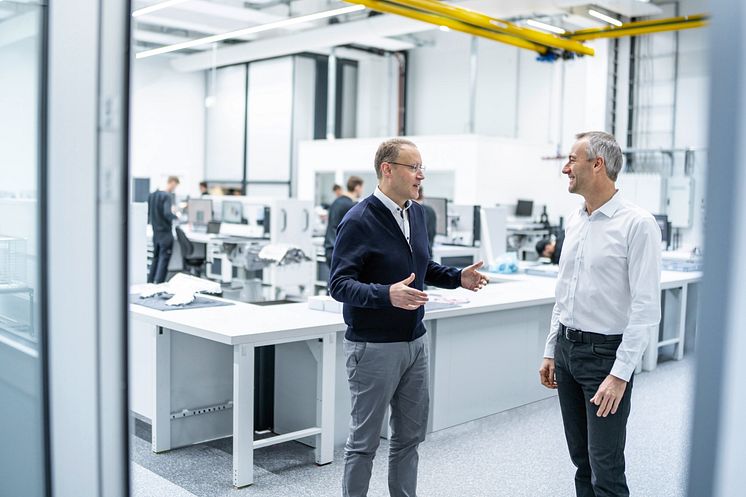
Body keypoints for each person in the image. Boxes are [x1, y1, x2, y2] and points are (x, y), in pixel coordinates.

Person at [329, 138, 489, 497]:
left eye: (422, 168)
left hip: (415, 342)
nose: (421, 176)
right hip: (373, 347)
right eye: (414, 168)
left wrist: (456, 277)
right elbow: (339, 285)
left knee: (409, 438)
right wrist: (386, 294)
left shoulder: (415, 212)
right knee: (364, 442)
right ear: (387, 170)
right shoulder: (358, 220)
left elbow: (421, 267)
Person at [538, 131, 661, 497]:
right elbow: (565, 293)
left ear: (597, 164)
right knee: (582, 463)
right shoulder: (575, 221)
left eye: (572, 160)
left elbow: (645, 308)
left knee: (605, 469)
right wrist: (551, 349)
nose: (565, 168)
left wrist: (620, 374)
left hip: (605, 357)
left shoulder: (637, 224)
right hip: (567, 350)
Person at [323, 176, 364, 268]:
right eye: (362, 188)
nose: (362, 191)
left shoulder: (336, 202)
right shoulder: (352, 206)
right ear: (357, 187)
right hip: (339, 252)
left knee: (333, 281)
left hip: (329, 249)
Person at [147, 176, 180, 284]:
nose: (174, 188)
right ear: (171, 182)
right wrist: (177, 217)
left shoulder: (152, 195)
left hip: (155, 233)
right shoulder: (166, 196)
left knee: (155, 258)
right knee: (164, 259)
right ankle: (159, 284)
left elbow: (149, 214)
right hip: (165, 233)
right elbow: (167, 213)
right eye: (175, 185)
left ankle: (150, 283)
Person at [415, 187, 437, 256]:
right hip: (428, 253)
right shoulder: (430, 210)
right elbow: (432, 233)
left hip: (417, 256)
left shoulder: (410, 210)